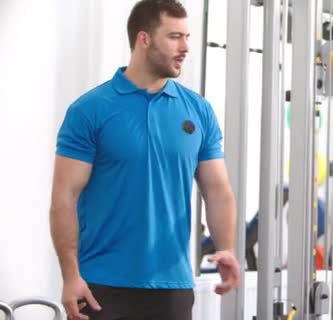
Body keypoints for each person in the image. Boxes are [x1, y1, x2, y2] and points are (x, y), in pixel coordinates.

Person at [49, 1, 240, 319]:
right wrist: (70, 275)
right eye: (175, 37)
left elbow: (218, 190)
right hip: (101, 286)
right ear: (144, 39)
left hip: (173, 286)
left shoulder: (198, 111)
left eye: (188, 37)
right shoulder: (90, 110)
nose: (185, 47)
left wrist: (227, 248)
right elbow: (63, 198)